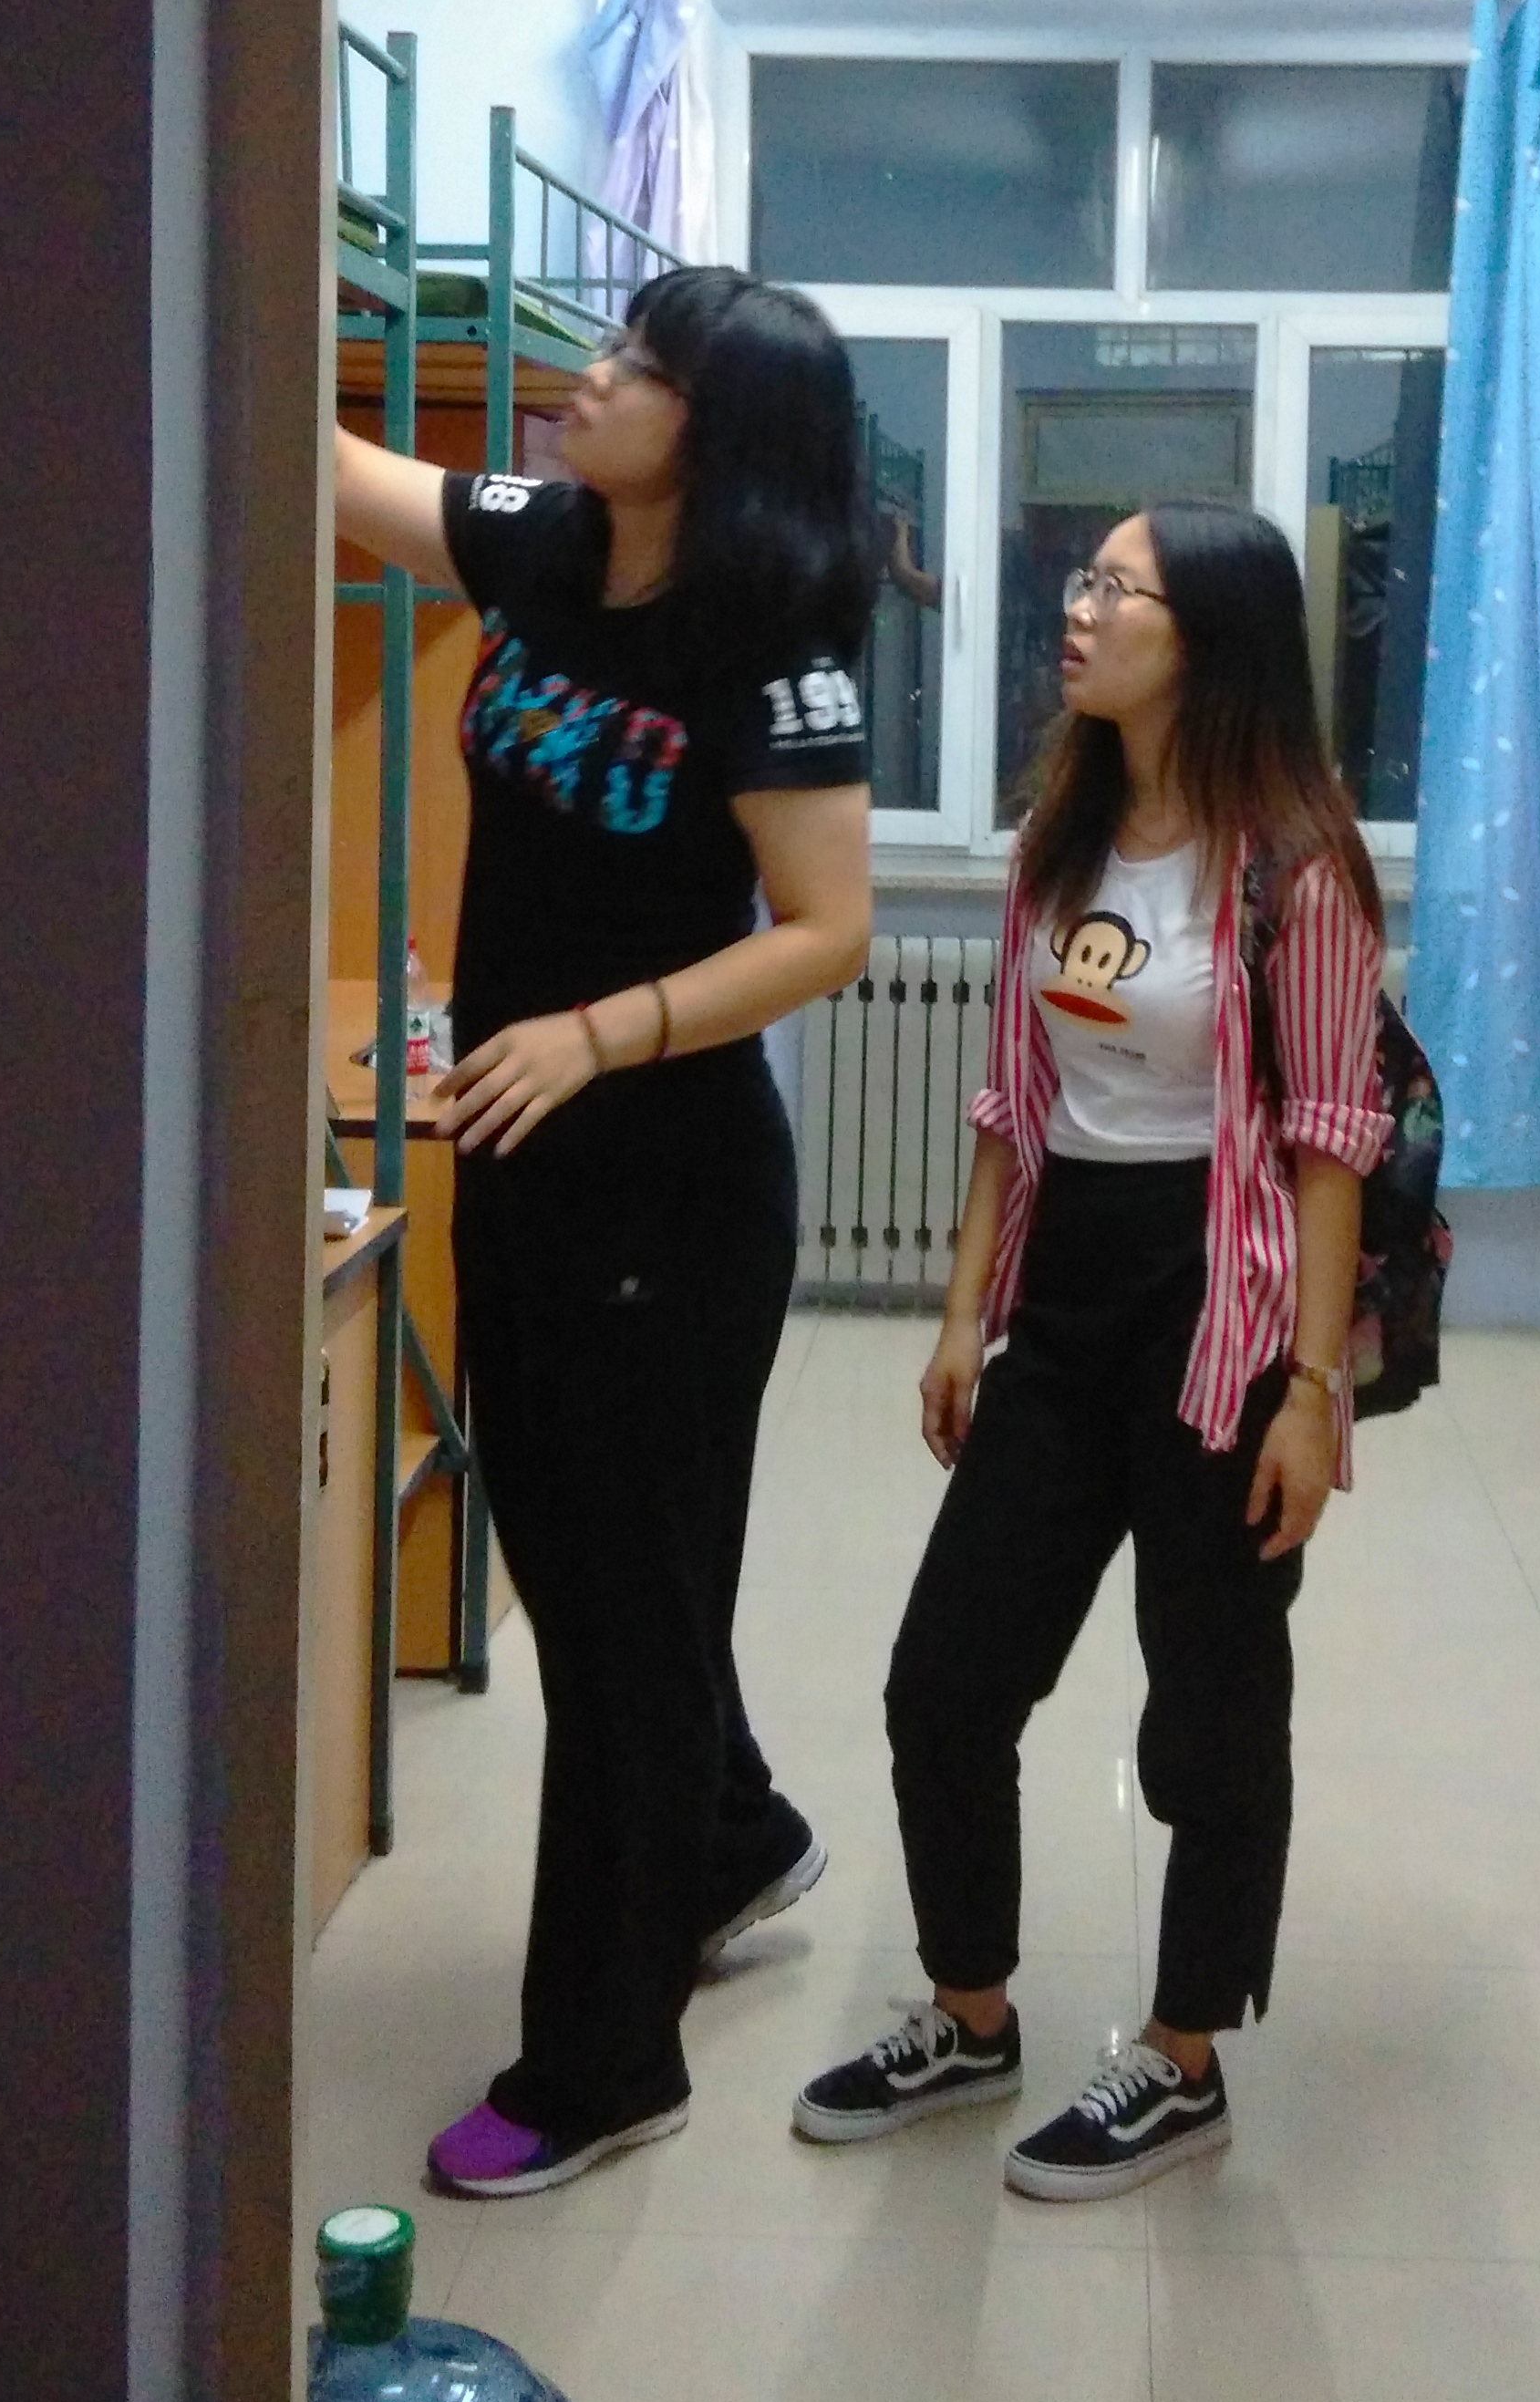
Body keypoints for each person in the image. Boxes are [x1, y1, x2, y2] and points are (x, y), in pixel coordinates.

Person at [336, 266, 874, 2198]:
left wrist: (597, 1028)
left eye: (636, 368)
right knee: (591, 1576)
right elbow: (334, 472)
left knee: (621, 1626)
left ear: (716, 436)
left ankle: (601, 2059)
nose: (589, 379)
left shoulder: (767, 643)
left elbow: (829, 930)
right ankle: (724, 1834)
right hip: (526, 1151)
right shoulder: (545, 541)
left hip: (667, 1182)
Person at [794, 502, 1390, 2199]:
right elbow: (1014, 1094)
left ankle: (1185, 2055)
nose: (1082, 608)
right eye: (1087, 582)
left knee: (1209, 1708)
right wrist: (963, 1313)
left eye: (1120, 589)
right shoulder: (1057, 839)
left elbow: (1331, 1140)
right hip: (1063, 1302)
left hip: (1226, 1312)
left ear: (1207, 640)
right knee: (946, 1680)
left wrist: (1311, 1391)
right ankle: (971, 2016)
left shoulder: (1298, 867)